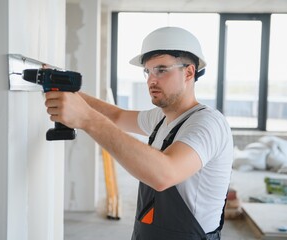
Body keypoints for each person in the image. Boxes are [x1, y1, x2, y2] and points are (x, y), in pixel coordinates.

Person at [45, 26, 233, 240]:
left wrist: (87, 119)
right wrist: (67, 90)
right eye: (148, 71)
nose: (151, 80)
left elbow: (165, 174)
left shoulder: (207, 123)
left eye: (161, 70)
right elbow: (116, 116)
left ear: (189, 72)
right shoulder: (160, 118)